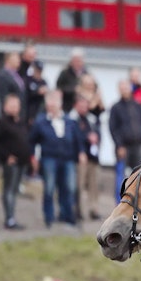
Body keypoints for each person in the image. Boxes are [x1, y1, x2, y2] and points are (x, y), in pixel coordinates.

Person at [29, 91, 85, 228]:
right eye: (50, 104)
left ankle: (67, 216)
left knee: (69, 187)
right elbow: (31, 141)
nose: (52, 107)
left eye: (55, 104)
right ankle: (49, 218)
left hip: (68, 158)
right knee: (49, 188)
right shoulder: (41, 122)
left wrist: (81, 152)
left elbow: (78, 139)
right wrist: (33, 157)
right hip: (49, 158)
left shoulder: (69, 121)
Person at [0, 93, 31, 230]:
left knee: (15, 191)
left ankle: (12, 216)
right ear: (5, 106)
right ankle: (9, 219)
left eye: (17, 105)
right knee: (8, 190)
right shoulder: (1, 122)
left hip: (22, 162)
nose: (15, 108)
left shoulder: (19, 122)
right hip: (11, 163)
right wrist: (6, 156)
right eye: (12, 105)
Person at [109, 79, 141, 196]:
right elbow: (113, 129)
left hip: (139, 145)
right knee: (121, 176)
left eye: (126, 88)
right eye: (122, 88)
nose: (124, 90)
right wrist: (119, 145)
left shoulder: (137, 106)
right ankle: (119, 201)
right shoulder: (115, 108)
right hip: (124, 147)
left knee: (139, 175)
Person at [70, 94, 103, 221]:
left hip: (92, 157)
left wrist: (96, 137)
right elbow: (74, 137)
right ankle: (79, 210)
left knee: (94, 185)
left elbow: (98, 132)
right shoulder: (72, 120)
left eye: (85, 105)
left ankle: (93, 209)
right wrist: (85, 140)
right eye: (81, 105)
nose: (84, 108)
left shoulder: (91, 119)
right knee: (79, 185)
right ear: (76, 105)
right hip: (80, 157)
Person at [0, 51, 27, 122]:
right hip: (10, 116)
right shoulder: (2, 75)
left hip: (21, 113)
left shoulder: (17, 75)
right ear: (8, 59)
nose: (19, 61)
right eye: (16, 58)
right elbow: (3, 96)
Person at [55, 48, 89, 114]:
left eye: (79, 60)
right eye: (75, 60)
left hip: (82, 108)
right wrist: (73, 90)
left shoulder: (86, 73)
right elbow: (59, 88)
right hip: (67, 106)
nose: (77, 63)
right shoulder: (65, 73)